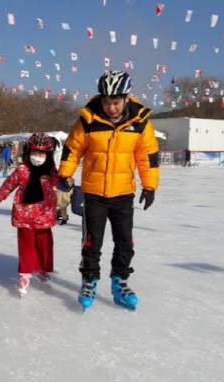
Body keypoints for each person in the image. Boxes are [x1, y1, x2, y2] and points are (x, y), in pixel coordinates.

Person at [58, 70, 159, 311]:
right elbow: (72, 149)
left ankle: (120, 281)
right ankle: (89, 281)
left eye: (115, 102)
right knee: (92, 243)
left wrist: (150, 185)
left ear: (126, 98)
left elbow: (148, 157)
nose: (111, 107)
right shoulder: (88, 120)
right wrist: (65, 173)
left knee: (125, 242)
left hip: (123, 194)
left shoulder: (139, 123)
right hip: (94, 194)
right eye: (106, 102)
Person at [0, 133, 59, 296]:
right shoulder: (22, 169)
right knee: (27, 244)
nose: (37, 157)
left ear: (48, 154)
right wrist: (0, 197)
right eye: (35, 153)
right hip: (24, 215)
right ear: (28, 152)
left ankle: (41, 268)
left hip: (44, 215)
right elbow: (9, 183)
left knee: (44, 244)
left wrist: (67, 183)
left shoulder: (51, 172)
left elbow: (61, 184)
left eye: (41, 153)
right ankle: (25, 273)